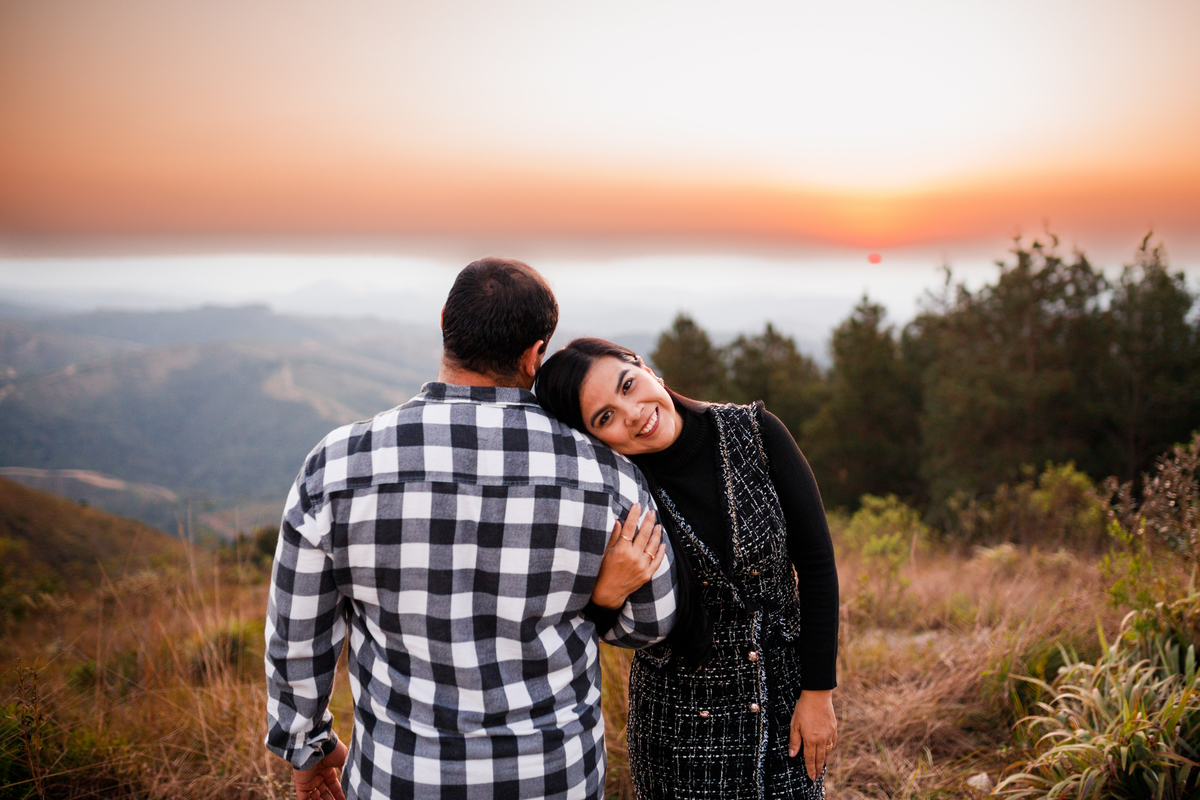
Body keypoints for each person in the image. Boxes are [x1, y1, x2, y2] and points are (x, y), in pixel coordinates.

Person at [264, 259, 678, 800]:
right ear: (536, 355)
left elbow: (299, 637)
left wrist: (308, 750)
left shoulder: (337, 468)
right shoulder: (609, 480)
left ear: (445, 323)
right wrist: (597, 600)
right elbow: (652, 623)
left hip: (403, 780)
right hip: (556, 779)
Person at [535, 338, 839, 800]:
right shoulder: (618, 493)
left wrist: (818, 693)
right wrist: (605, 597)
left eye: (628, 386)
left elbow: (816, 565)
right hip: (677, 727)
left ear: (645, 367)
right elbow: (592, 626)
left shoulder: (755, 432)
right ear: (595, 438)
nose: (633, 413)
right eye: (606, 417)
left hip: (784, 701)